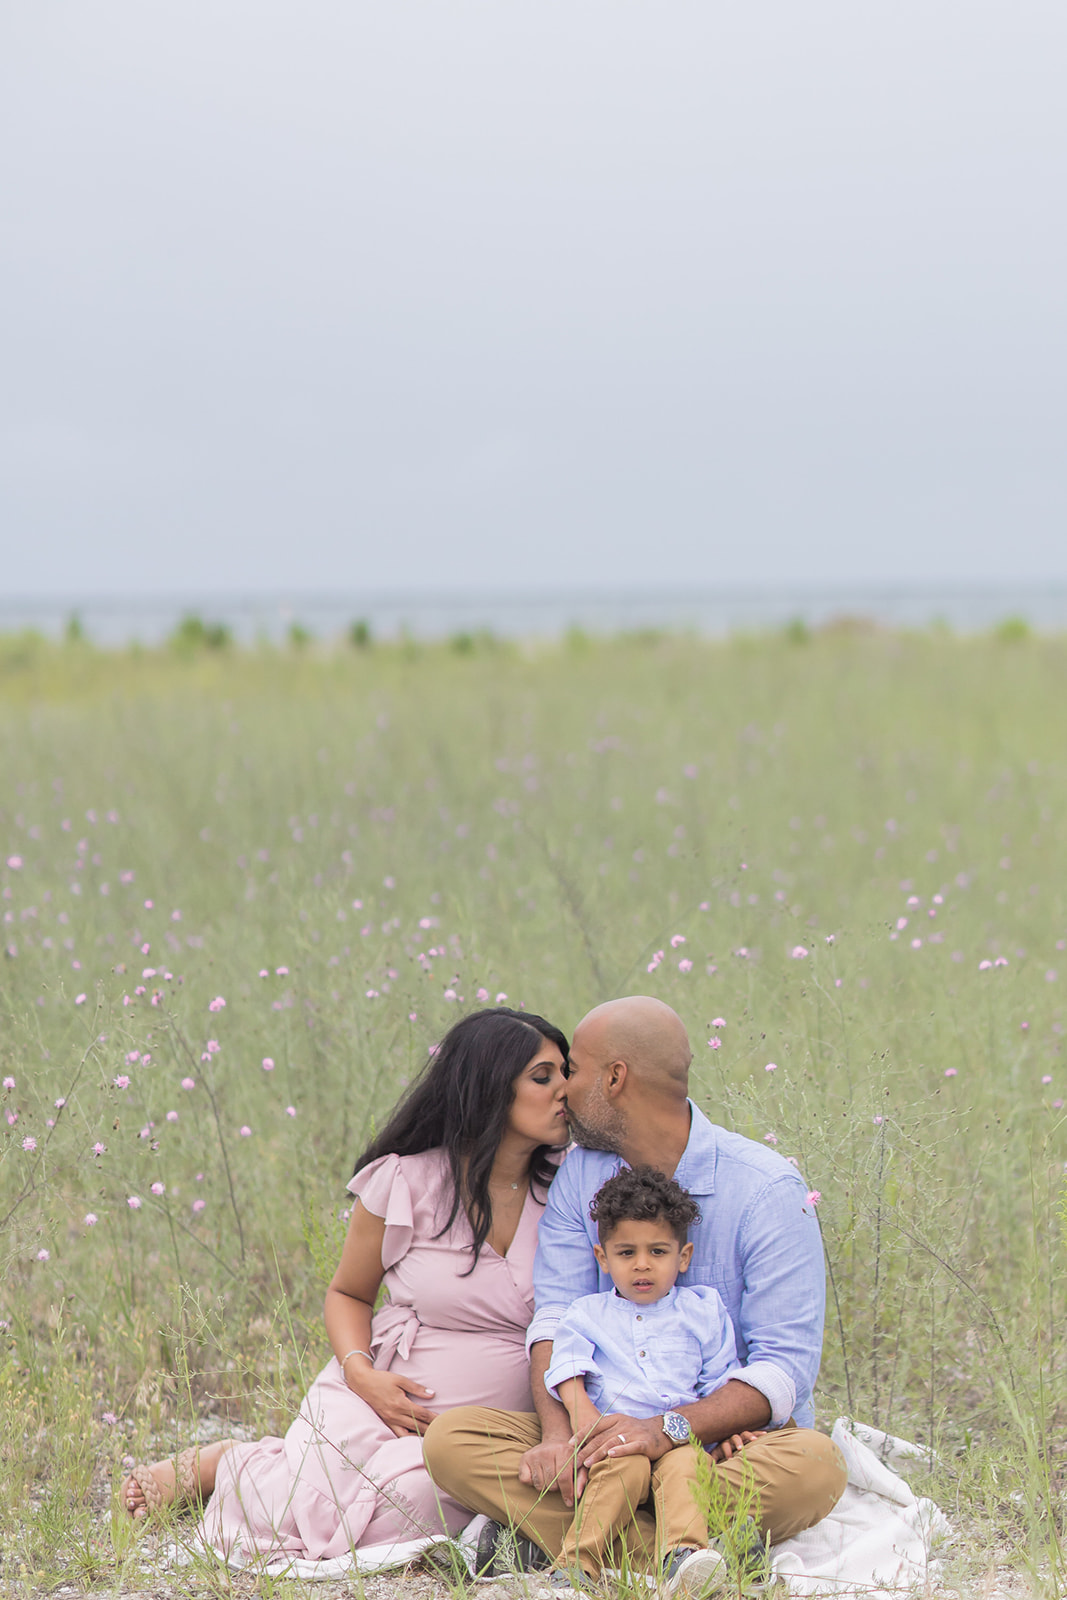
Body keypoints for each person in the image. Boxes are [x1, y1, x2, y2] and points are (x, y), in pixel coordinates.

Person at [122, 1006, 571, 1564]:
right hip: (385, 1398)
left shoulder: (574, 1190)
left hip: (497, 1433)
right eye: (543, 1075)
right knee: (318, 1503)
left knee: (412, 1506)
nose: (565, 1090)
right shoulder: (406, 1182)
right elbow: (349, 1294)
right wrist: (362, 1375)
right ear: (487, 1087)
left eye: (565, 1071)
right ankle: (230, 1462)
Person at [423, 995, 848, 1580]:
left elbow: (783, 1369)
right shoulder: (582, 1172)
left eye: (574, 1071)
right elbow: (558, 1315)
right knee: (453, 1442)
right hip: (596, 1432)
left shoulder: (767, 1190)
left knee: (817, 1465)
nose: (564, 1089)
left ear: (614, 1079)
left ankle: (567, 1543)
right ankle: (693, 1554)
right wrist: (556, 1436)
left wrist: (665, 1431)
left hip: (718, 1442)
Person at [542, 1165, 758, 1598]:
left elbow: (719, 1375)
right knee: (622, 1469)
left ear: (683, 1257)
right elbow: (565, 1362)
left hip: (678, 1437)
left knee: (687, 1467)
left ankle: (683, 1559)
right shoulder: (588, 1313)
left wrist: (727, 1430)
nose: (642, 1264)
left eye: (658, 1252)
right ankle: (577, 1564)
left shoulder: (702, 1309)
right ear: (603, 1258)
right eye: (626, 1253)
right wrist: (580, 1410)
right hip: (615, 1440)